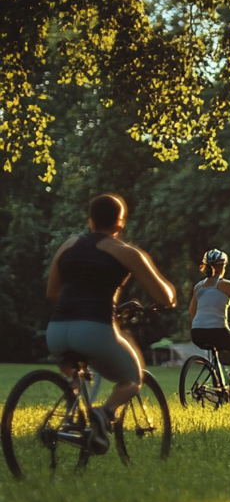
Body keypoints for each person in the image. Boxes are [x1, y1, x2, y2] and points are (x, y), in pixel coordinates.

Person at [45, 194, 176, 453]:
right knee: (133, 378)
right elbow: (165, 296)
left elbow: (52, 292)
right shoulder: (125, 252)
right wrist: (166, 301)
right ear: (120, 223)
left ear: (90, 221)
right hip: (93, 329)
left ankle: (72, 408)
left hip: (57, 330)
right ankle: (104, 415)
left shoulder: (68, 245)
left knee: (74, 370)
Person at [189, 249, 230, 391]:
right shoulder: (229, 285)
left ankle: (218, 389)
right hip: (218, 333)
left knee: (217, 346)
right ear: (223, 266)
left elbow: (192, 312)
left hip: (197, 333)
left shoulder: (198, 286)